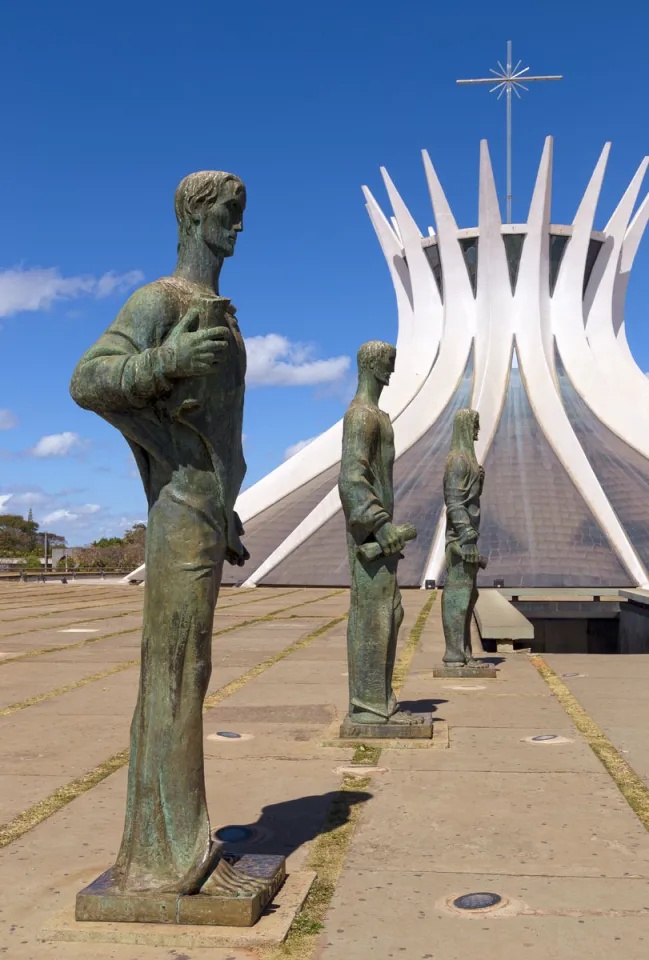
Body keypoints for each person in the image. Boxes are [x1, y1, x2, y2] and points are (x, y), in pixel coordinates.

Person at [70, 171, 255, 896]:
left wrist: (230, 506)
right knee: (174, 671)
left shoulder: (221, 311)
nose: (239, 230)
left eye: (243, 218)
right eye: (230, 217)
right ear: (194, 216)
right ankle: (162, 859)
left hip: (206, 508)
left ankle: (172, 843)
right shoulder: (161, 300)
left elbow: (213, 431)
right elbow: (89, 380)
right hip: (178, 511)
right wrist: (168, 361)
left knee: (189, 670)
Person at [339, 340, 418, 724]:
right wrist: (380, 523)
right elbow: (352, 477)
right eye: (388, 363)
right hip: (370, 536)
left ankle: (379, 699)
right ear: (371, 365)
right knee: (374, 615)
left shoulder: (378, 416)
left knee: (392, 612)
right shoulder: (362, 416)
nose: (392, 371)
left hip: (379, 535)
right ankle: (370, 707)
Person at [442, 408, 488, 666]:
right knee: (458, 594)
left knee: (470, 596)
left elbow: (469, 499)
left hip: (469, 539)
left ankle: (465, 651)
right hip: (461, 542)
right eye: (474, 425)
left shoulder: (467, 459)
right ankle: (454, 654)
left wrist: (479, 482)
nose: (477, 430)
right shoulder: (458, 459)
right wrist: (465, 535)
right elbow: (454, 501)